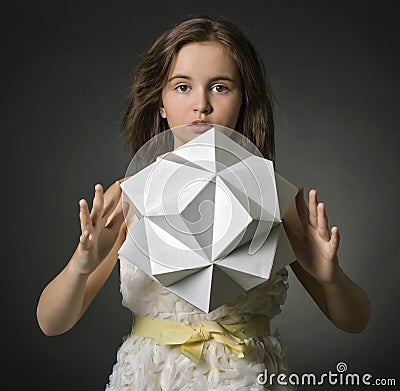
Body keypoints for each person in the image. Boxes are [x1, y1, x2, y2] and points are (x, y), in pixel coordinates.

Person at [36, 16, 370, 390]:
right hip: (154, 380)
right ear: (160, 103)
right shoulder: (131, 195)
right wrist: (80, 267)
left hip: (249, 378)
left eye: (220, 87)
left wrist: (331, 277)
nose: (201, 105)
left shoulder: (274, 196)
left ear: (243, 100)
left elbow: (353, 320)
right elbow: (52, 323)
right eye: (182, 87)